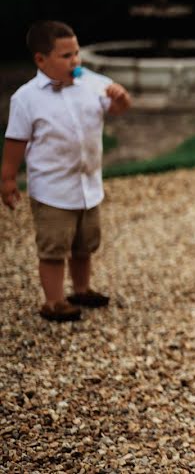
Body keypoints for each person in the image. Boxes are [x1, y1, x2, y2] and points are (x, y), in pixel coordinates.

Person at [2, 20, 132, 321]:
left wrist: (121, 99)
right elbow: (15, 140)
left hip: (88, 184)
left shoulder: (93, 82)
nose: (75, 61)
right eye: (66, 56)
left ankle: (81, 289)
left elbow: (116, 108)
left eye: (76, 53)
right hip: (52, 189)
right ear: (40, 59)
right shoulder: (26, 98)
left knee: (84, 243)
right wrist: (8, 178)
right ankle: (53, 301)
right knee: (54, 246)